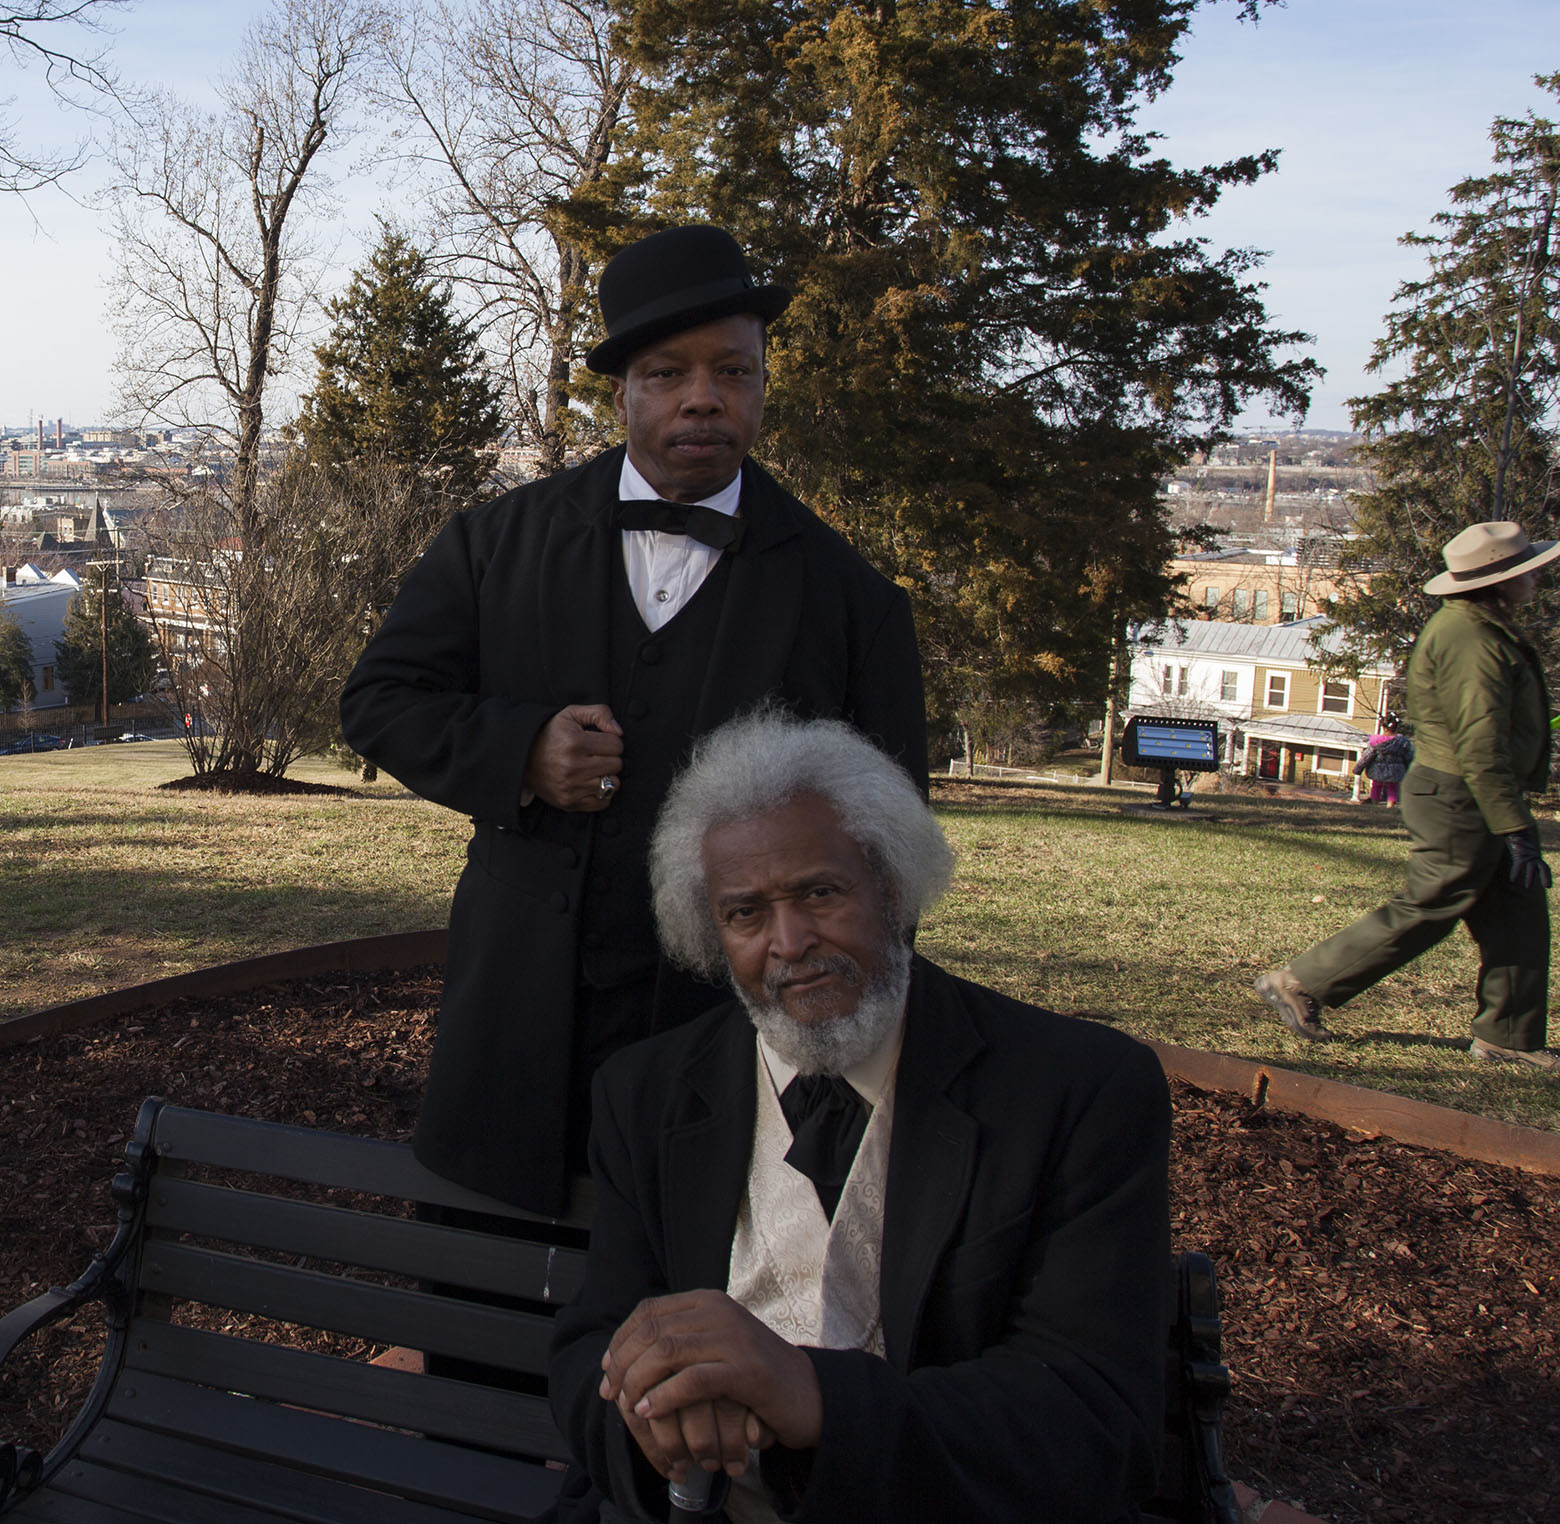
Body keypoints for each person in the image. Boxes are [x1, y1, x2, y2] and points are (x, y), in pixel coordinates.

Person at [339, 225, 929, 1216]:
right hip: (512, 1022)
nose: (705, 396)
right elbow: (379, 700)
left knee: (687, 1326)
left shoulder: (851, 602)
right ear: (621, 391)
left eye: (733, 370)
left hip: (733, 1049)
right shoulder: (496, 545)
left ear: (762, 383)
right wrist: (520, 750)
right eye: (669, 372)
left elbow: (893, 861)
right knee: (481, 1319)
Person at [548, 711, 1171, 1523]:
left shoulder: (1077, 1091)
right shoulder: (648, 1092)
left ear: (890, 884)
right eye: (745, 913)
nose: (791, 941)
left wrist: (812, 1396)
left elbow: (1094, 1419)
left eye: (820, 891)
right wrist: (658, 1421)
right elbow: (592, 1347)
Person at [1256, 521, 1559, 1073]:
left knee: (1518, 912)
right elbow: (1480, 743)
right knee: (1432, 904)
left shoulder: (1480, 627)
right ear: (1495, 581)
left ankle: (1509, 1036)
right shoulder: (1470, 639)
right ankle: (1300, 982)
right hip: (1461, 795)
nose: (1538, 574)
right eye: (1527, 569)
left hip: (1479, 791)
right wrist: (1514, 828)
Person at [1357, 720, 1412, 808]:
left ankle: (1374, 804)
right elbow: (1409, 756)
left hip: (1378, 770)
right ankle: (1390, 806)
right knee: (1393, 787)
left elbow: (1367, 756)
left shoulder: (1375, 741)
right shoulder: (1402, 742)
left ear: (1384, 728)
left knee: (1376, 786)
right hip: (1395, 771)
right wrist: (1410, 768)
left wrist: (1358, 768)